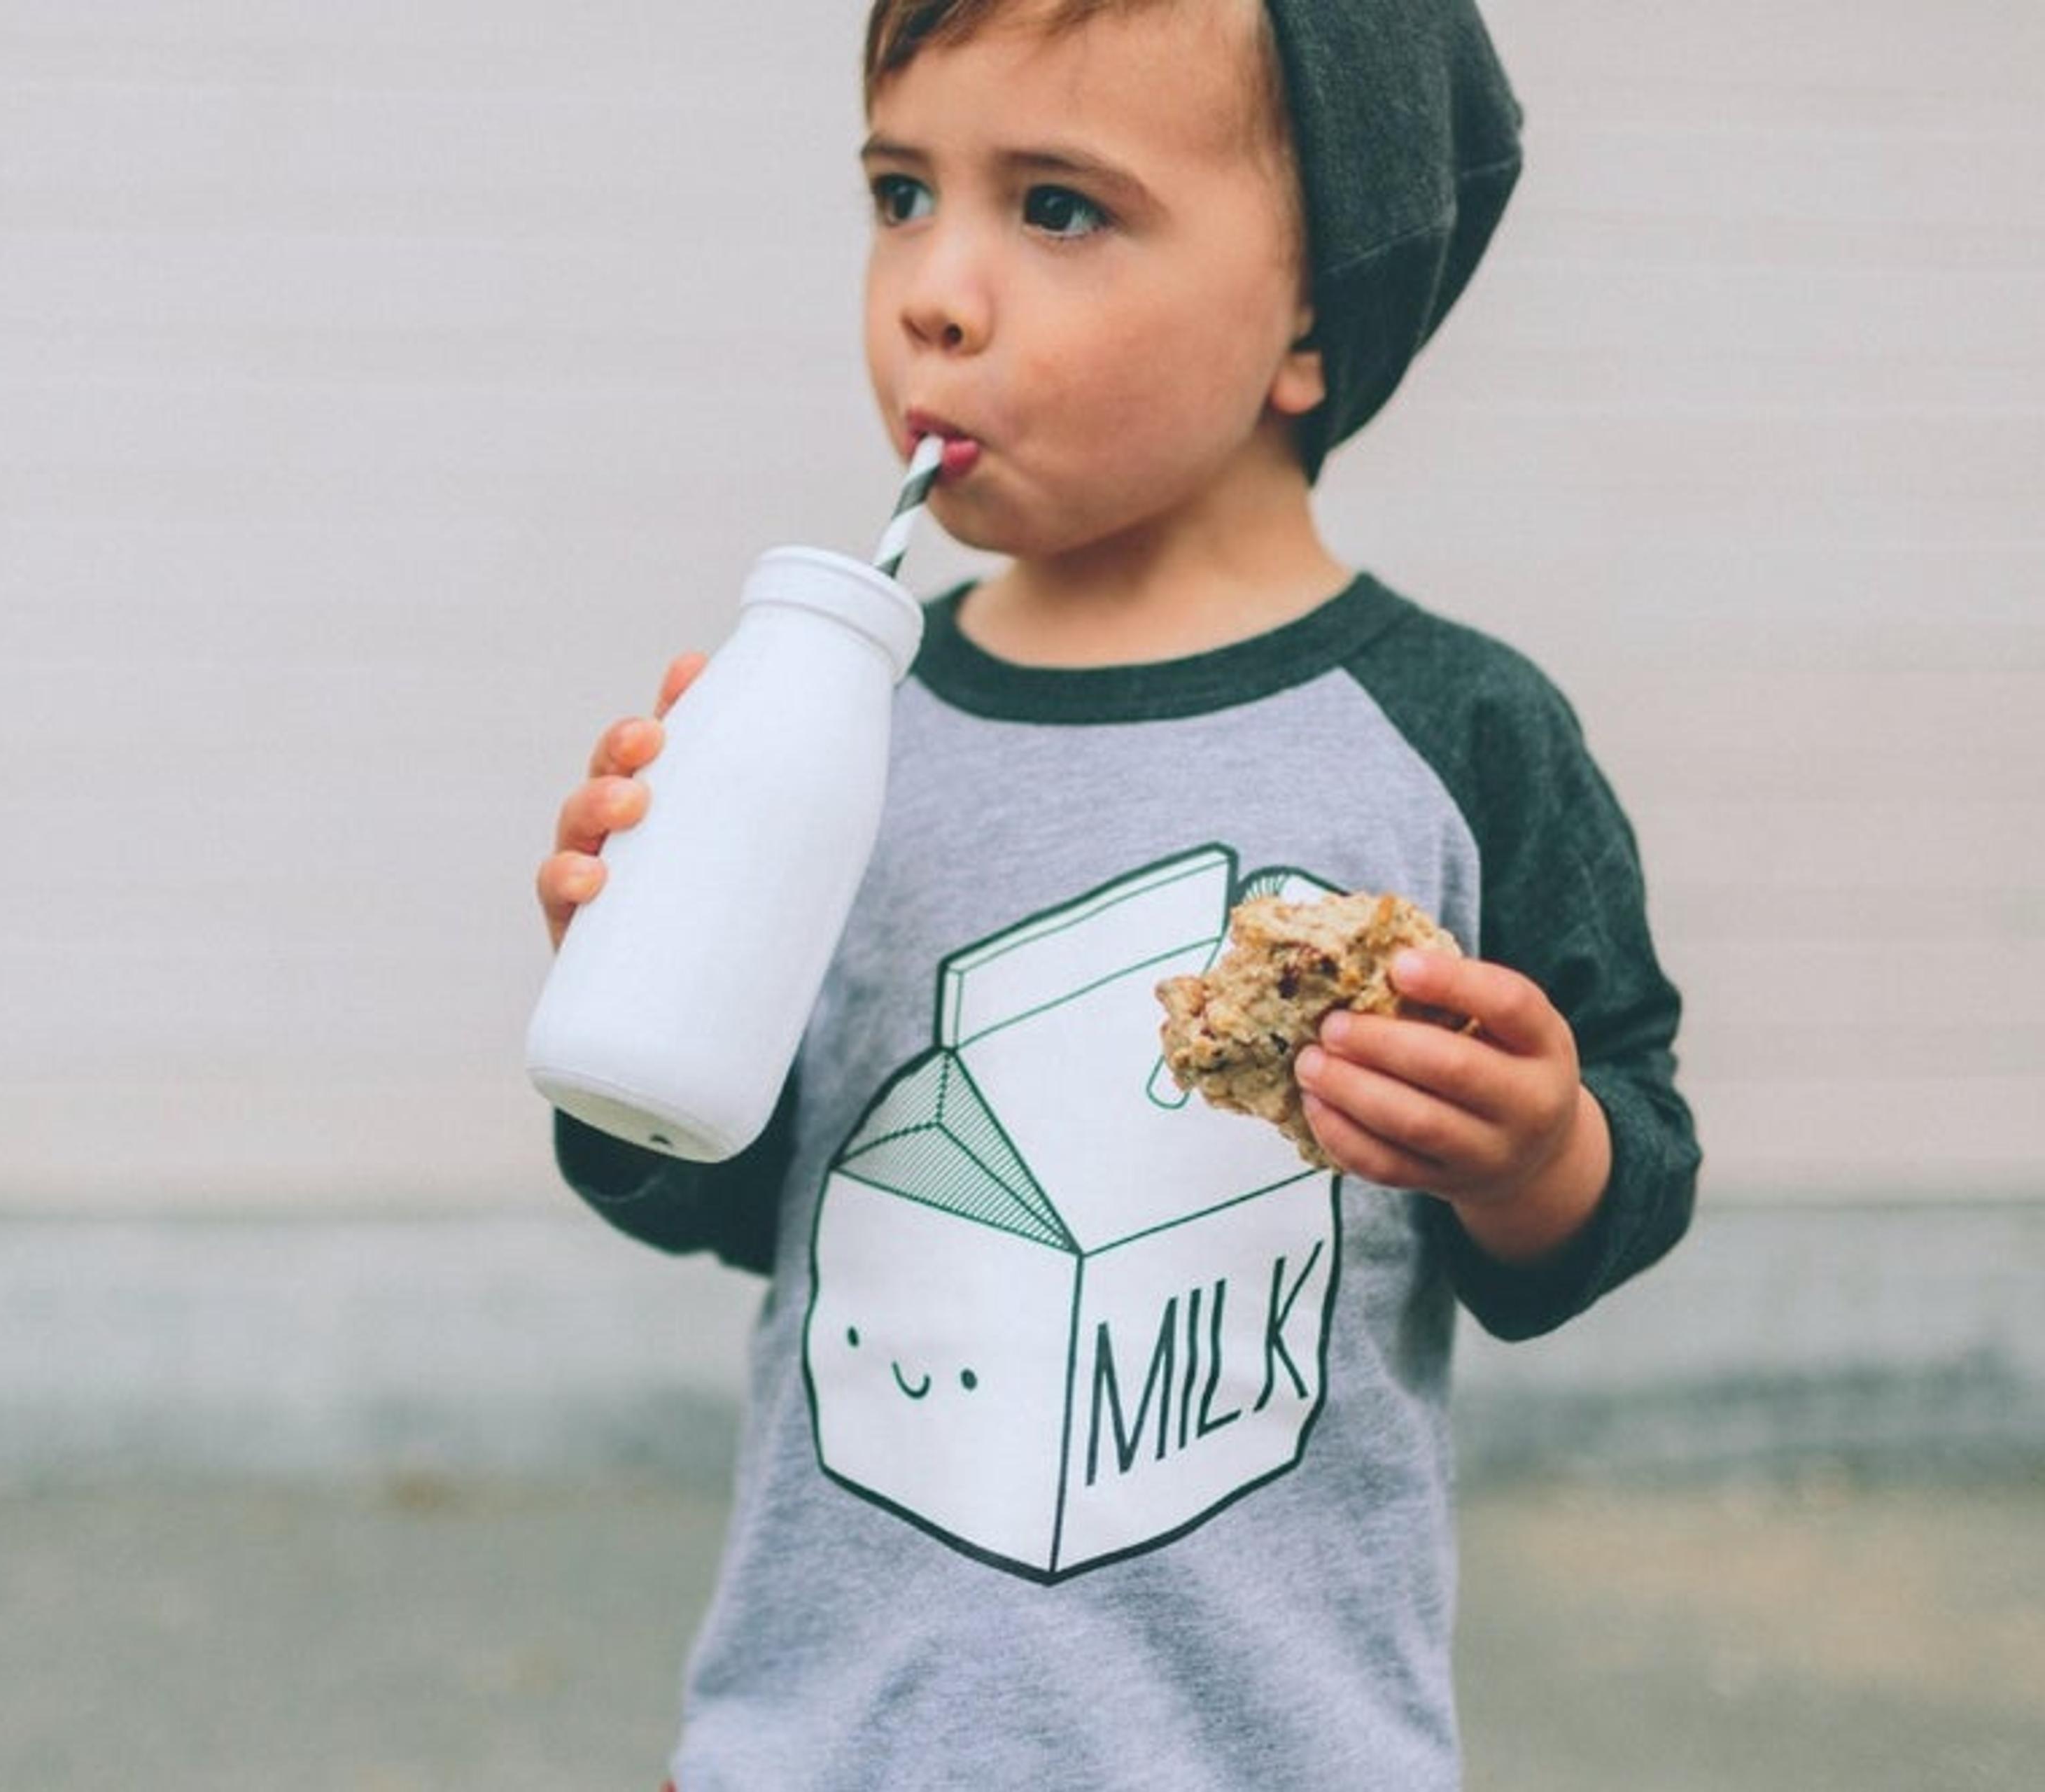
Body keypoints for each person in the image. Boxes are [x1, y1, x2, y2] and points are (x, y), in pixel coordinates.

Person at [533, 0, 1699, 1784]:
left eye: (1058, 208)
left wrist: (1536, 1154)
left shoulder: (1455, 736)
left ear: (1309, 313)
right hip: (834, 1736)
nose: (936, 289)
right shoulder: (851, 715)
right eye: (903, 192)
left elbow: (1629, 1164)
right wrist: (640, 994)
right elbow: (752, 1201)